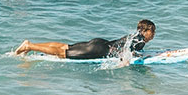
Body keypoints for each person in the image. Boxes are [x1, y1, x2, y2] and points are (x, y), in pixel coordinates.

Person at [13, 20, 155, 63]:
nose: (153, 34)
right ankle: (29, 46)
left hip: (99, 43)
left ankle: (30, 44)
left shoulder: (134, 35)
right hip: (98, 51)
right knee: (62, 53)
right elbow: (126, 53)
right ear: (145, 31)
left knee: (64, 46)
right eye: (152, 31)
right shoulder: (140, 40)